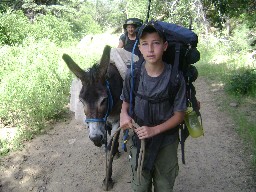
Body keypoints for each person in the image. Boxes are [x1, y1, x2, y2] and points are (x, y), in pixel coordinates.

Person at [120, 22, 187, 191]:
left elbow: (179, 115)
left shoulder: (176, 78)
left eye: (155, 43)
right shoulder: (133, 74)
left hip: (167, 141)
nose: (150, 49)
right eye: (144, 44)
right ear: (139, 48)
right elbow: (126, 100)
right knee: (140, 186)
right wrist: (123, 114)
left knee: (164, 185)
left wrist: (154, 130)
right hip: (139, 139)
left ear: (165, 46)